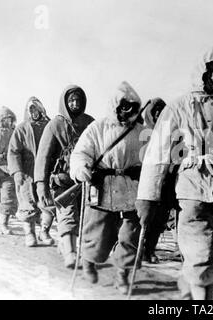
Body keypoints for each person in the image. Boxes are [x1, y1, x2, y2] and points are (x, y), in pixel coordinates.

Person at [136, 47, 213, 300]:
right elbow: (158, 152)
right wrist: (147, 197)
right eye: (209, 73)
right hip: (192, 185)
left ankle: (190, 290)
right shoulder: (178, 107)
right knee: (201, 251)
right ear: (200, 74)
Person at [70, 81, 144, 293]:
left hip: (131, 187)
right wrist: (80, 169)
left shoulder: (142, 132)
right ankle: (89, 262)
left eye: (131, 106)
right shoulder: (98, 128)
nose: (126, 111)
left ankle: (123, 274)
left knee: (130, 234)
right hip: (102, 186)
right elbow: (80, 153)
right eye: (122, 106)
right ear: (114, 106)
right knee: (97, 231)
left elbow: (152, 159)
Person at [34, 85, 94, 268]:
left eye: (78, 100)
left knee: (86, 217)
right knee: (67, 214)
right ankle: (70, 253)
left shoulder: (91, 123)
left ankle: (70, 246)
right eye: (71, 100)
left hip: (85, 179)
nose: (75, 103)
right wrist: (41, 185)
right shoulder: (55, 125)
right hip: (63, 181)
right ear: (65, 103)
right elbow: (43, 157)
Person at [8, 97, 54, 247]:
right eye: (31, 109)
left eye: (36, 108)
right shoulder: (21, 128)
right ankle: (30, 233)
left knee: (48, 202)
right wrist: (17, 171)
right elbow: (14, 151)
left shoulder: (50, 126)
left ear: (41, 109)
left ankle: (44, 231)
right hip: (27, 172)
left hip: (46, 170)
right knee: (27, 202)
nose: (34, 112)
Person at [141, 97, 172, 264]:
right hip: (144, 184)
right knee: (143, 218)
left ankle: (150, 249)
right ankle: (137, 248)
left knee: (159, 220)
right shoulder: (141, 132)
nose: (159, 115)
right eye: (156, 111)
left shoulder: (172, 134)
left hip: (165, 183)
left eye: (162, 111)